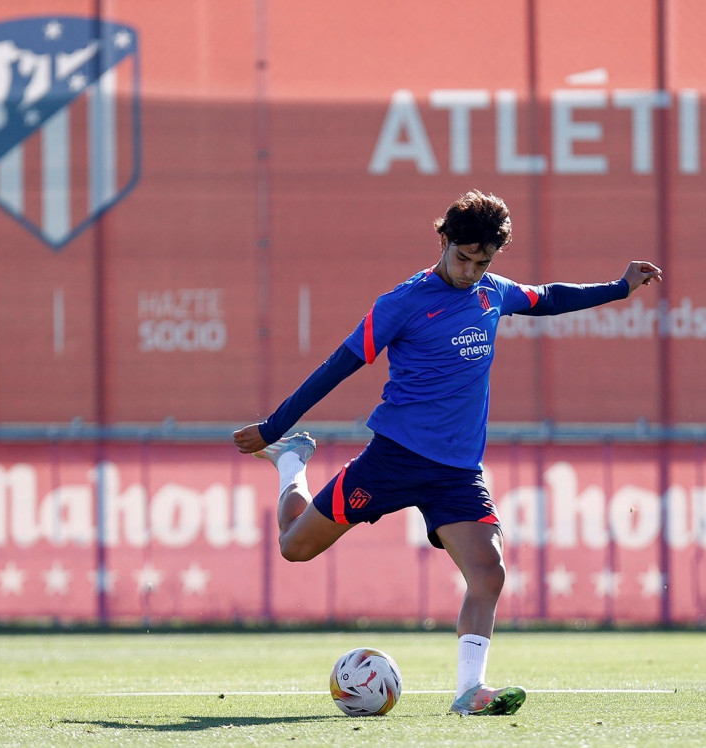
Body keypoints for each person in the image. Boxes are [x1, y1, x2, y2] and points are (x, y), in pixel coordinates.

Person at [233, 189, 662, 716]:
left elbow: (547, 297)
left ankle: (468, 692)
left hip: (457, 472)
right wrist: (275, 425)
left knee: (490, 572)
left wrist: (620, 288)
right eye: (463, 257)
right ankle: (291, 461)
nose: (471, 271)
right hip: (394, 460)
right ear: (443, 240)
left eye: (483, 261)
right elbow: (338, 366)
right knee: (294, 548)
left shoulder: (491, 292)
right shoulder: (402, 303)